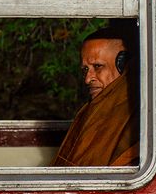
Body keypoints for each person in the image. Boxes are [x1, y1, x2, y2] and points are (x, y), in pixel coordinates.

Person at [51, 23, 138, 166]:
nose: (87, 79)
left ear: (124, 65)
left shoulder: (133, 118)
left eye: (98, 66)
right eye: (85, 69)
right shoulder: (95, 111)